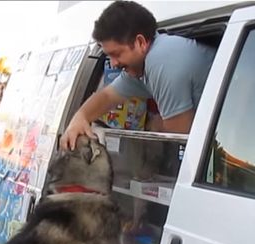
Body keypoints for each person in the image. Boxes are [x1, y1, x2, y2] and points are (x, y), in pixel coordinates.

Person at [60, 1, 216, 150]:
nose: (113, 63)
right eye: (109, 56)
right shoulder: (139, 68)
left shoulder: (161, 59)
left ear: (140, 42)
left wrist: (154, 124)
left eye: (117, 54)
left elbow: (178, 136)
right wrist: (80, 117)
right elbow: (107, 96)